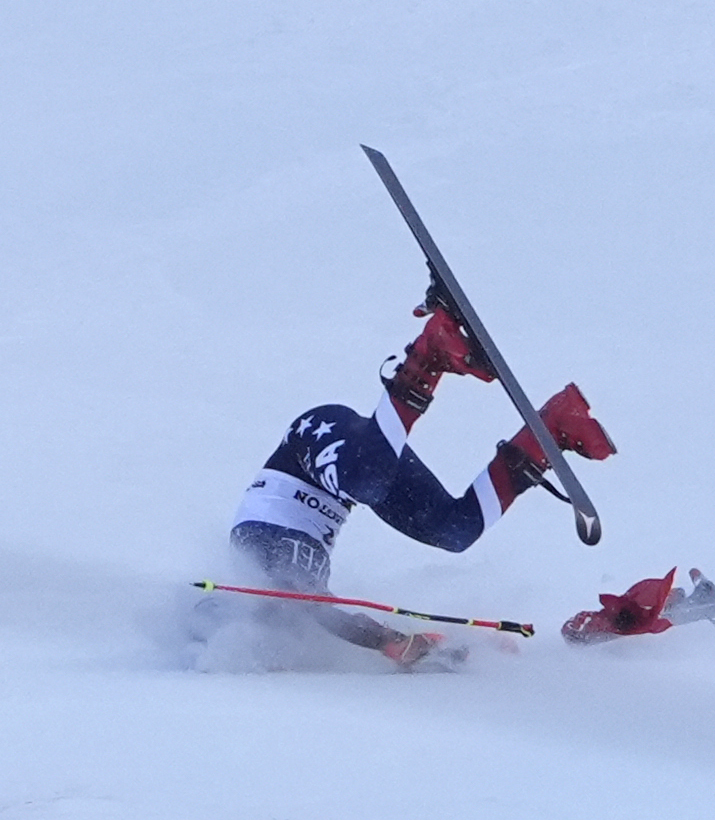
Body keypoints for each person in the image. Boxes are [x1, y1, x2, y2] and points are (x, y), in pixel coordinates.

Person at [224, 277, 616, 668]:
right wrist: (454, 650)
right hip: (355, 480)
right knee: (454, 531)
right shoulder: (306, 602)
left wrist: (391, 642)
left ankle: (429, 353)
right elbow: (327, 613)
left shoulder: (257, 568)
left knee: (366, 483)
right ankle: (548, 432)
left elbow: (313, 607)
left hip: (312, 444)